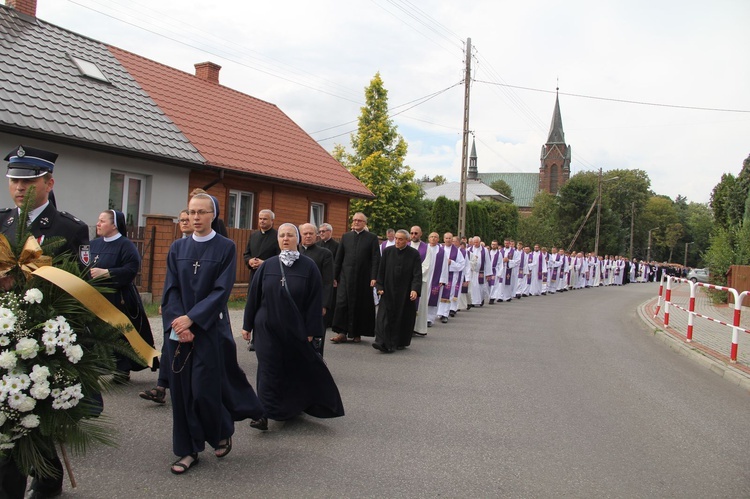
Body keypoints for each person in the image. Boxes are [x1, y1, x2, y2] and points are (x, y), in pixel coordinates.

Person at [0, 145, 90, 499]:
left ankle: (47, 480)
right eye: (14, 181)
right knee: (9, 412)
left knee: (41, 412)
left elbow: (79, 288)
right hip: (5, 335)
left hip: (46, 336)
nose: (20, 188)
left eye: (29, 181)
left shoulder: (69, 228)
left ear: (49, 182)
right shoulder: (0, 221)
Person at [161, 192, 263, 475]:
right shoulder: (176, 248)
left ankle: (220, 427)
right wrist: (178, 323)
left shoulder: (226, 247)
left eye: (202, 212)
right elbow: (170, 290)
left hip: (208, 329)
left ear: (213, 215)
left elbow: (221, 291)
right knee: (182, 394)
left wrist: (192, 319)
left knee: (204, 389)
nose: (195, 218)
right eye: (192, 212)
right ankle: (187, 450)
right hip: (179, 331)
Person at [241, 223, 344, 421]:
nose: (285, 239)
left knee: (291, 367)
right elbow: (253, 297)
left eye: (289, 235)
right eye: (281, 236)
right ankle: (263, 413)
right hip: (267, 327)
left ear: (297, 239)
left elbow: (314, 301)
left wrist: (312, 329)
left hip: (294, 328)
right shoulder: (267, 266)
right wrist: (247, 325)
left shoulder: (309, 266)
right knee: (268, 368)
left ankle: (292, 406)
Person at [89, 210, 156, 381]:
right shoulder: (94, 244)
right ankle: (98, 366)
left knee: (120, 334)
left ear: (114, 225)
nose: (98, 224)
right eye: (98, 220)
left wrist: (107, 273)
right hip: (96, 297)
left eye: (102, 221)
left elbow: (132, 268)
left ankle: (122, 369)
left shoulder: (125, 245)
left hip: (119, 297)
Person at [140, 209, 192, 404]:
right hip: (174, 305)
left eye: (188, 219)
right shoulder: (177, 245)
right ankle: (161, 386)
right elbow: (170, 279)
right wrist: (165, 302)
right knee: (169, 344)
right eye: (182, 220)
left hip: (191, 307)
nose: (185, 223)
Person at [330, 213, 380, 344]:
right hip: (346, 276)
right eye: (354, 220)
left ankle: (357, 333)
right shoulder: (346, 237)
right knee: (342, 304)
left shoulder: (372, 238)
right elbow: (338, 258)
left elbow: (376, 259)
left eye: (359, 220)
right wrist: (334, 276)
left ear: (365, 223)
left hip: (363, 277)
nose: (356, 222)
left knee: (360, 305)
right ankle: (342, 332)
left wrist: (374, 277)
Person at [372, 229, 421, 353]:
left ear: (407, 240)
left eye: (401, 239)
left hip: (404, 292)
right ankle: (381, 342)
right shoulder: (388, 251)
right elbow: (381, 271)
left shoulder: (414, 254)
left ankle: (396, 342)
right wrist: (380, 286)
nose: (397, 241)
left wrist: (414, 289)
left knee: (401, 317)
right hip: (388, 290)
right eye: (396, 239)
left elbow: (417, 274)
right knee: (383, 317)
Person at [243, 209, 280, 351]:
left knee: (267, 307)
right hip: (254, 277)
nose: (262, 221)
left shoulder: (277, 236)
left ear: (272, 221)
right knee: (253, 305)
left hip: (270, 277)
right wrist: (250, 261)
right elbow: (246, 254)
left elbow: (279, 256)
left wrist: (265, 263)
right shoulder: (254, 236)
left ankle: (268, 337)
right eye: (260, 219)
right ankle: (253, 338)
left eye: (265, 219)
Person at [298, 223, 333, 356]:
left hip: (315, 301)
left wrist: (324, 304)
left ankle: (316, 366)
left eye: (311, 233)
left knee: (315, 337)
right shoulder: (295, 252)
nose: (307, 236)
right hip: (296, 300)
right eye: (305, 233)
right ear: (300, 235)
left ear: (316, 235)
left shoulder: (325, 254)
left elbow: (328, 281)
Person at [409, 226, 430, 334]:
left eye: (416, 233)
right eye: (412, 233)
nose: (413, 235)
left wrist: (414, 275)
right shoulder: (406, 245)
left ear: (421, 234)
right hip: (406, 281)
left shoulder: (427, 248)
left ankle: (418, 328)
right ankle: (407, 327)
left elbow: (426, 265)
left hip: (420, 281)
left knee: (419, 305)